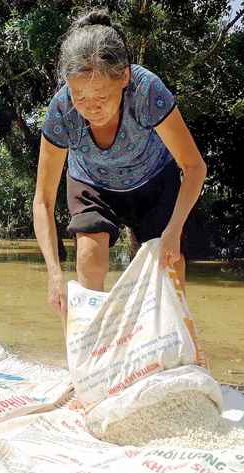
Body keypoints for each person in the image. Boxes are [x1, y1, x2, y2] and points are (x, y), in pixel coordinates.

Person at [33, 8, 207, 326]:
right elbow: (43, 200)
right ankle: (94, 355)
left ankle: (171, 348)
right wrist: (54, 273)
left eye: (102, 94)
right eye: (79, 96)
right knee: (88, 259)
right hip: (91, 181)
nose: (91, 107)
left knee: (170, 263)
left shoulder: (147, 92)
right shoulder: (61, 112)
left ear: (125, 76)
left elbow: (194, 166)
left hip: (153, 179)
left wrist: (173, 231)